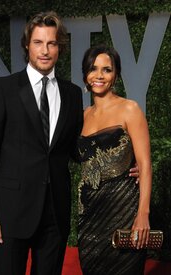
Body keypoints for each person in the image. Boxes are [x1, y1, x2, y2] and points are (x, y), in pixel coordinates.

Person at [0, 11, 83, 275]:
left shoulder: (72, 94)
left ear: (60, 47)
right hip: (11, 214)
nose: (45, 50)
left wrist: (123, 163)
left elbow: (75, 150)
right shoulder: (4, 89)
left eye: (52, 43)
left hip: (55, 215)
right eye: (38, 42)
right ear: (27, 45)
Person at [77, 44, 152, 275]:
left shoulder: (130, 109)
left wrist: (143, 214)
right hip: (89, 213)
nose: (99, 76)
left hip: (124, 210)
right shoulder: (82, 116)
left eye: (106, 70)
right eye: (93, 69)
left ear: (115, 74)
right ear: (85, 75)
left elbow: (146, 165)